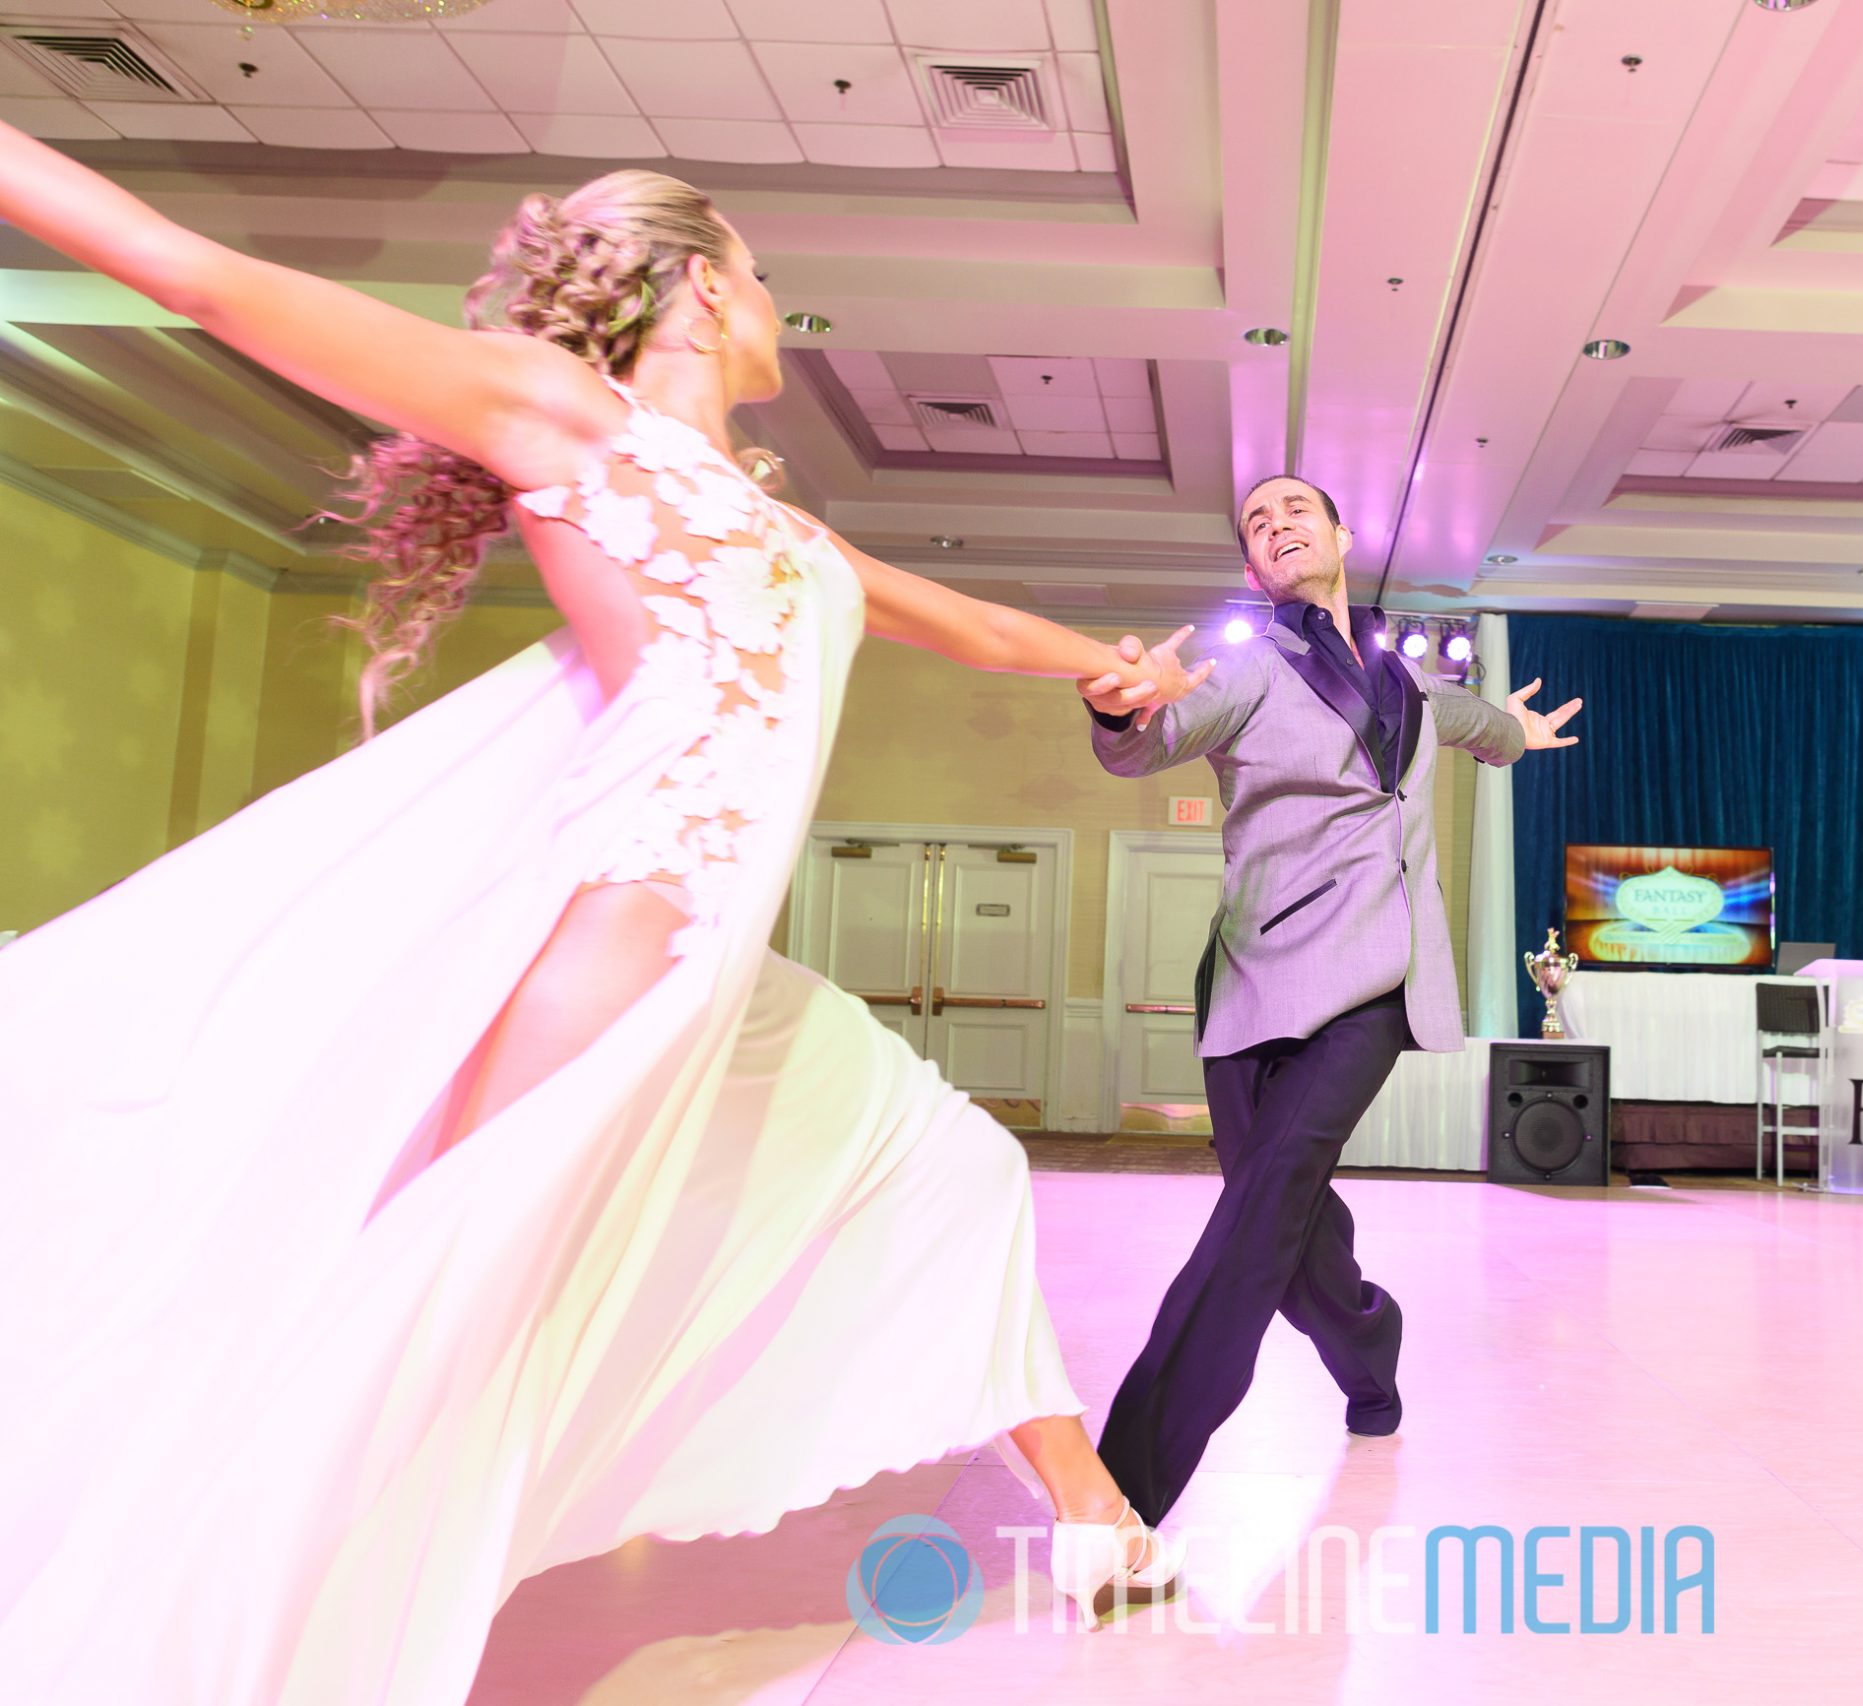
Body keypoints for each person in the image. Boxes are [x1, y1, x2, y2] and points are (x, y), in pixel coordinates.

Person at [0, 129, 1198, 1700]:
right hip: (638, 919)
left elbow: (961, 617)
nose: (784, 308)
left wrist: (1107, 660)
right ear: (702, 287)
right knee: (434, 1313)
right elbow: (203, 276)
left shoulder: (764, 511)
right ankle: (207, 1640)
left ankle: (1097, 1517)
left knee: (950, 1160)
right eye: (768, 280)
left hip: (726, 964)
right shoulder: (566, 414)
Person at [1072, 474, 1582, 1528]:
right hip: (1254, 974)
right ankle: (1369, 1340)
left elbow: (1478, 721)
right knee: (1291, 1234)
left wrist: (1516, 735)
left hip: (1373, 979)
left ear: (1343, 535)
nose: (1275, 525)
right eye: (1257, 522)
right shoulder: (1248, 671)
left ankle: (1124, 1490)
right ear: (1254, 566)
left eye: (1293, 509)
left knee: (1259, 1208)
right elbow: (1145, 741)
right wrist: (1113, 705)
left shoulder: (1411, 686)